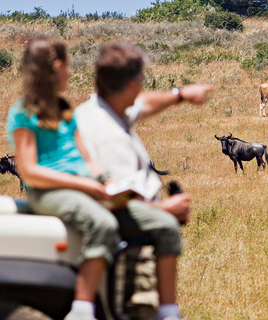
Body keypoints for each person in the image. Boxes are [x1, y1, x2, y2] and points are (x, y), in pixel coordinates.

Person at [75, 42, 213, 320]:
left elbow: (144, 104)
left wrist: (180, 95)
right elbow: (115, 195)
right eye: (140, 79)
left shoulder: (100, 108)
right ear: (131, 84)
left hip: (125, 215)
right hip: (124, 226)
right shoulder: (105, 134)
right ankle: (168, 312)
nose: (142, 86)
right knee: (165, 230)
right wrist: (165, 210)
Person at [6, 37, 118, 320]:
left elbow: (86, 157)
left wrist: (105, 179)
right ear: (57, 67)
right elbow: (29, 171)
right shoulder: (24, 112)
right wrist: (86, 184)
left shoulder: (66, 108)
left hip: (78, 185)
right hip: (49, 190)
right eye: (68, 65)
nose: (71, 72)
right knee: (102, 223)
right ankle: (81, 310)